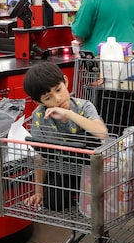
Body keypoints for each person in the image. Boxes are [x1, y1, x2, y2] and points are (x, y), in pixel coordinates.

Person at [23, 61, 108, 210]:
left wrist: (69, 114)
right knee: (54, 204)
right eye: (48, 98)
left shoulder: (83, 106)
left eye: (58, 90)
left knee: (89, 137)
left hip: (89, 167)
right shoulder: (39, 116)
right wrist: (38, 192)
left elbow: (102, 132)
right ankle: (73, 198)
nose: (57, 99)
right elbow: (40, 156)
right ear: (38, 102)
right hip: (62, 168)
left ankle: (82, 197)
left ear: (66, 81)